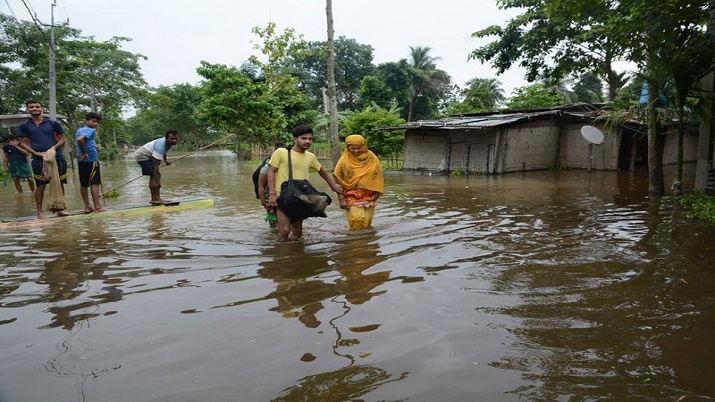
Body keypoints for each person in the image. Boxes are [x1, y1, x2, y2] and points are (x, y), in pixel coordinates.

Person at [267, 125, 342, 241]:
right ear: (295, 139)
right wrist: (272, 194)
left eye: (310, 139)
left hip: (300, 198)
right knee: (285, 230)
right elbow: (271, 171)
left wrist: (333, 185)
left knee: (297, 232)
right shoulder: (281, 152)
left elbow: (322, 171)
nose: (307, 141)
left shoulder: (310, 156)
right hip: (281, 197)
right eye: (304, 138)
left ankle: (295, 255)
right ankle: (280, 256)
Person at [17, 99, 69, 219]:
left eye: (37, 107)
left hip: (57, 157)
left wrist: (53, 149)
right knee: (40, 185)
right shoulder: (24, 125)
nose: (34, 109)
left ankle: (60, 209)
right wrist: (36, 153)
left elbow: (62, 139)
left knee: (59, 183)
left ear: (42, 109)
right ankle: (40, 212)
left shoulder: (52, 123)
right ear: (27, 110)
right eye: (31, 107)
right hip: (38, 158)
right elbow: (22, 143)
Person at [333, 134, 384, 230]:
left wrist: (377, 191)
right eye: (353, 148)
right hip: (351, 194)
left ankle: (366, 242)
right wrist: (341, 198)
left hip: (369, 194)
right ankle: (354, 242)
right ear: (347, 147)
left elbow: (378, 175)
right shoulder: (344, 160)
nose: (356, 151)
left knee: (367, 221)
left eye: (359, 148)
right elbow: (337, 177)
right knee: (356, 219)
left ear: (364, 146)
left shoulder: (371, 157)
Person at [134, 130, 178, 205]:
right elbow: (156, 165)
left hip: (150, 156)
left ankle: (157, 198)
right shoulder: (160, 146)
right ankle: (154, 199)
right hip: (142, 156)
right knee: (154, 176)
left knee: (156, 176)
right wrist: (157, 182)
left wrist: (165, 160)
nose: (174, 140)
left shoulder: (168, 144)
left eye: (176, 139)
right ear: (166, 138)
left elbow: (164, 151)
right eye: (172, 139)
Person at [75, 112, 105, 213]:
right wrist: (84, 152)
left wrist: (94, 147)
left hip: (81, 161)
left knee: (84, 184)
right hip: (91, 160)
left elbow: (83, 141)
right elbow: (80, 140)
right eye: (93, 121)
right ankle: (97, 207)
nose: (95, 124)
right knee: (94, 184)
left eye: (97, 122)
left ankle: (87, 206)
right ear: (86, 121)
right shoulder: (90, 130)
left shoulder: (79, 130)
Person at [256, 142, 285, 228]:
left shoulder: (288, 166)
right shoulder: (266, 168)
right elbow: (261, 187)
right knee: (275, 224)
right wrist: (263, 202)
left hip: (285, 197)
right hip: (270, 199)